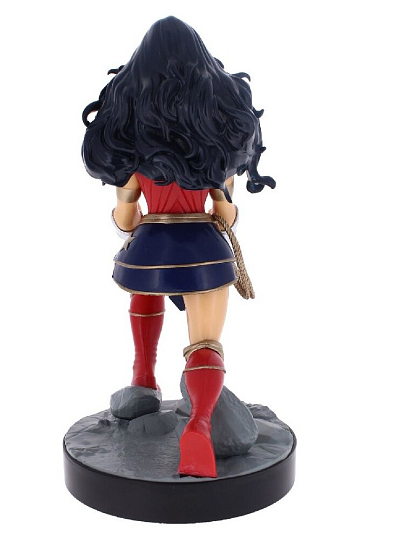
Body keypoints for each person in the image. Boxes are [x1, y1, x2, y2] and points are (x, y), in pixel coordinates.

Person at [81, 16, 275, 478]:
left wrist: (138, 218)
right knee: (205, 343)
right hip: (204, 254)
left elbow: (125, 219)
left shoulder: (133, 156)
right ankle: (200, 427)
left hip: (148, 250)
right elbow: (225, 216)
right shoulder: (217, 154)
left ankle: (143, 380)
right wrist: (218, 205)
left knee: (145, 294)